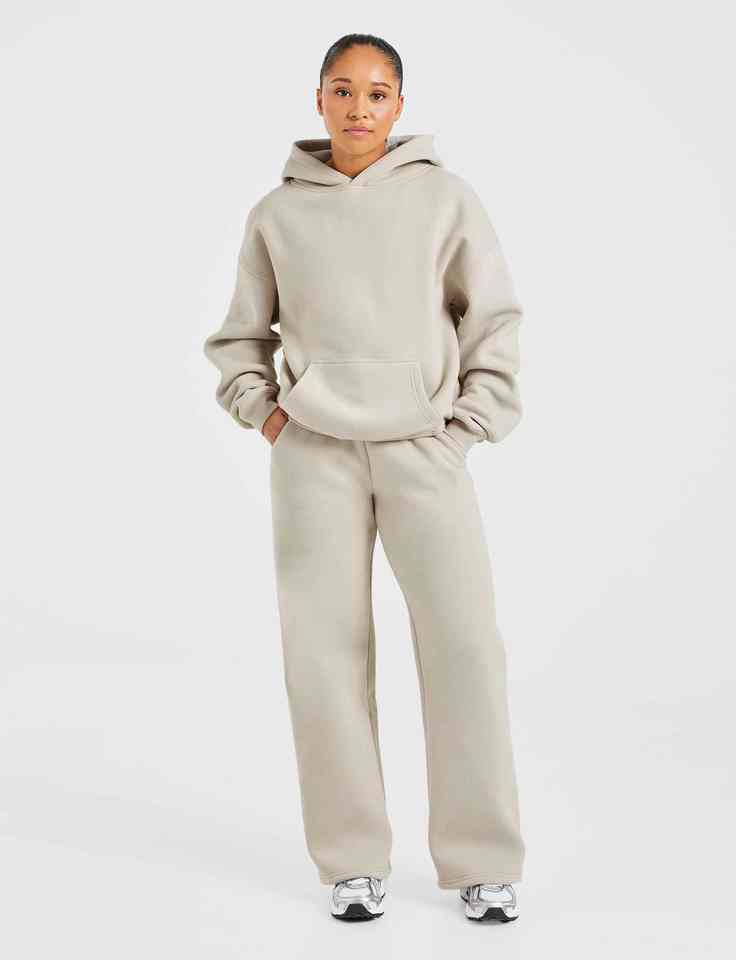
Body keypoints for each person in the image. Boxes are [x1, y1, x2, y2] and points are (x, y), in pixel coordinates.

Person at [203, 33, 526, 924]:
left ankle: (483, 861)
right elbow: (240, 335)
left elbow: (493, 319)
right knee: (324, 655)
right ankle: (352, 861)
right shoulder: (278, 213)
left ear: (399, 106)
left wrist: (467, 425)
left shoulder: (446, 200)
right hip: (314, 455)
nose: (358, 107)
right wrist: (268, 412)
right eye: (342, 90)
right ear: (319, 100)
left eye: (377, 93)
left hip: (425, 448)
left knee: (464, 647)